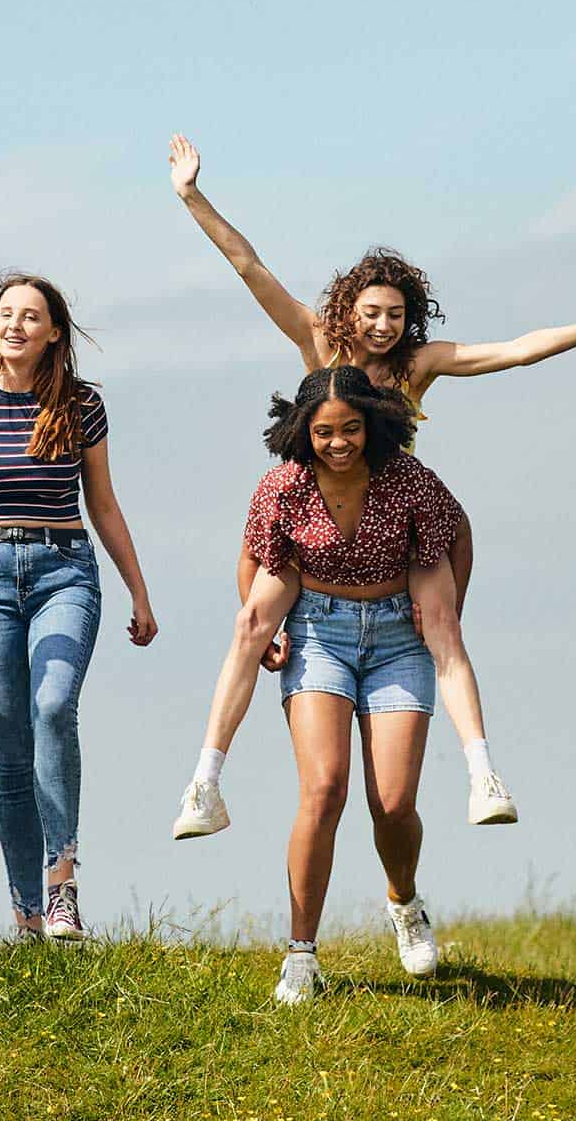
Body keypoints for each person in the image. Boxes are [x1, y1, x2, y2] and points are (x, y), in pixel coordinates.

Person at [168, 135, 576, 828]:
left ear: (408, 319)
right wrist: (192, 196)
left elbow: (514, 351)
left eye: (394, 314)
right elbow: (250, 267)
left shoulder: (418, 364)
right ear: (349, 310)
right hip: (317, 517)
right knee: (250, 625)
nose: (382, 324)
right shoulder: (319, 345)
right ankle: (204, 786)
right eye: (372, 312)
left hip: (396, 515)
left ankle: (484, 776)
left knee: (442, 627)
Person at [0, 272, 158, 940]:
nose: (14, 324)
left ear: (54, 333)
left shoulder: (80, 407)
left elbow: (103, 504)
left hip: (64, 569)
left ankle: (61, 884)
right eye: (5, 313)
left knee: (52, 705)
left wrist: (138, 590)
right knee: (6, 739)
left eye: (30, 316)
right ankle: (25, 914)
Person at [224, 367, 470, 1001]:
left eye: (351, 429)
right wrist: (269, 628)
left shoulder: (408, 480)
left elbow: (457, 534)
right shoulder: (284, 486)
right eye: (325, 431)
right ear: (304, 432)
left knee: (391, 803)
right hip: (318, 635)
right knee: (324, 789)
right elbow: (253, 559)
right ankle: (300, 955)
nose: (339, 442)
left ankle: (405, 902)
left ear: (371, 425)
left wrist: (445, 615)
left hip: (397, 641)